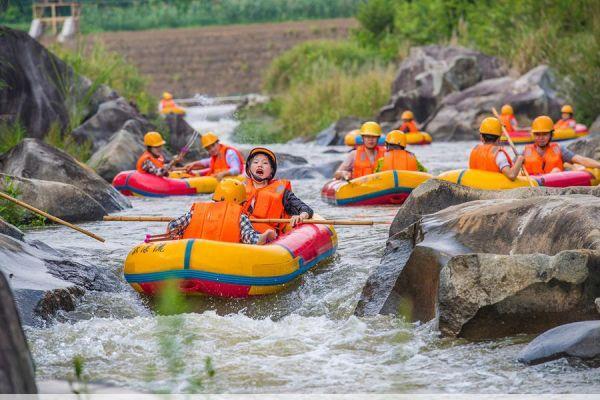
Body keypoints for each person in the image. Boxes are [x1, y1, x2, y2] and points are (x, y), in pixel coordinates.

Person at [167, 179, 276, 245]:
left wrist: (179, 236)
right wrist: (267, 235)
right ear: (240, 202)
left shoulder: (195, 213)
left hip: (191, 258)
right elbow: (252, 239)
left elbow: (172, 226)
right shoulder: (240, 217)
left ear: (215, 198)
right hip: (222, 262)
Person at [244, 147, 313, 235]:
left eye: (265, 163)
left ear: (271, 170)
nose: (260, 165)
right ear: (249, 168)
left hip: (268, 234)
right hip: (243, 229)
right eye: (256, 162)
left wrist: (302, 216)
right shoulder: (241, 187)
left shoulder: (279, 189)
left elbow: (305, 208)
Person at [523, 115, 600, 174]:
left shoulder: (559, 149)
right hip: (532, 183)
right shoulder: (525, 152)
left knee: (556, 170)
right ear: (534, 135)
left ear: (551, 135)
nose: (541, 138)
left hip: (554, 183)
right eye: (537, 134)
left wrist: (598, 165)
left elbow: (580, 160)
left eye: (545, 134)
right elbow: (511, 169)